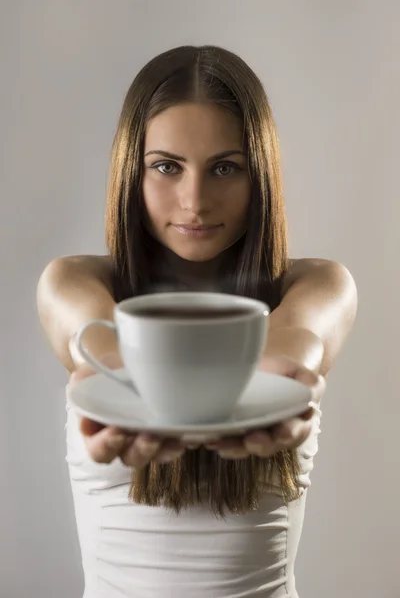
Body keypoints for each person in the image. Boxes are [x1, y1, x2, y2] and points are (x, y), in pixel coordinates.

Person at [37, 45, 357, 598]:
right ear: (130, 173)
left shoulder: (320, 283)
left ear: (259, 174)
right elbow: (91, 334)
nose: (195, 201)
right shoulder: (72, 280)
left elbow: (298, 339)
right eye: (166, 167)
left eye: (225, 168)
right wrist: (120, 383)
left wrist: (279, 382)